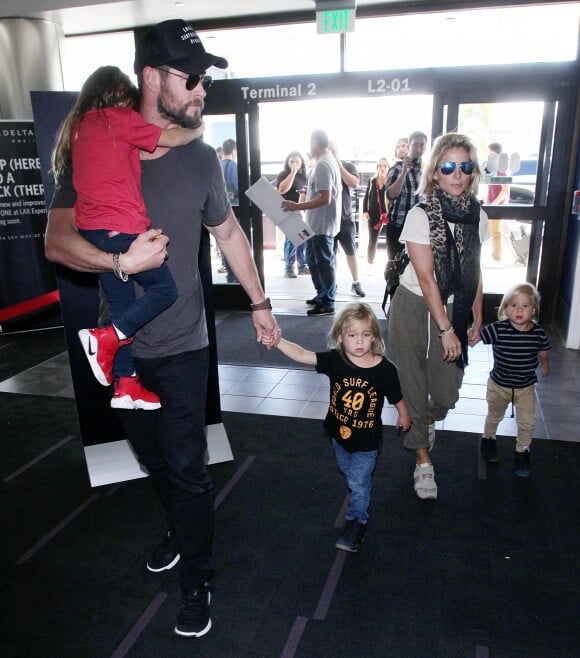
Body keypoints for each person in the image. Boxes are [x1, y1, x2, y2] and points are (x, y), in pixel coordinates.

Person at [45, 19, 280, 639]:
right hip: (119, 350)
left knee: (189, 467)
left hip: (184, 346)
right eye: (192, 77)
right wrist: (120, 262)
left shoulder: (202, 159)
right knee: (152, 458)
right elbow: (58, 242)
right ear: (152, 76)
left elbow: (228, 233)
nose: (202, 88)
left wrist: (258, 302)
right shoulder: (100, 144)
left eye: (204, 78)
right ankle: (179, 521)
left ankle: (197, 578)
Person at [52, 65, 203, 410]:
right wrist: (196, 130)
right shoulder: (115, 118)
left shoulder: (77, 127)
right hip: (121, 227)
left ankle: (125, 385)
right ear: (117, 93)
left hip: (93, 233)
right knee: (164, 290)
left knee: (121, 306)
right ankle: (105, 338)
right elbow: (171, 138)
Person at [387, 133, 488, 500]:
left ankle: (424, 422)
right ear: (436, 172)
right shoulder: (420, 214)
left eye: (465, 166)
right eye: (448, 166)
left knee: (446, 394)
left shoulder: (478, 214)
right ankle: (422, 461)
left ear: (472, 171)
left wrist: (476, 316)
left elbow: (474, 271)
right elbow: (427, 277)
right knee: (411, 385)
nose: (457, 174)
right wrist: (446, 329)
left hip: (455, 307)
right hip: (414, 305)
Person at [263, 302, 411, 552]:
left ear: (374, 336)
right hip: (338, 434)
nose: (360, 341)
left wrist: (404, 415)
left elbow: (396, 396)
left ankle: (356, 523)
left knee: (359, 481)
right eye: (352, 335)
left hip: (367, 441)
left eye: (366, 334)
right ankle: (356, 500)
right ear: (341, 338)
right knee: (348, 472)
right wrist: (278, 341)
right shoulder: (336, 361)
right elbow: (302, 354)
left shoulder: (385, 370)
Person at [479, 283, 551, 477]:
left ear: (533, 310)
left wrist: (545, 365)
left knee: (527, 422)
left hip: (525, 387)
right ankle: (488, 440)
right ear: (505, 309)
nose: (519, 310)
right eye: (514, 305)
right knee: (494, 415)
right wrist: (469, 335)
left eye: (525, 306)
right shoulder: (498, 329)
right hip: (498, 385)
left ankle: (523, 451)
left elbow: (543, 350)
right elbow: (478, 336)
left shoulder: (538, 333)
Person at [281, 129, 341, 316]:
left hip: (322, 224)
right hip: (317, 224)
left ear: (315, 142)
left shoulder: (323, 164)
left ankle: (327, 301)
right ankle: (322, 295)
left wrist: (296, 207)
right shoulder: (323, 162)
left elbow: (325, 198)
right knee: (315, 261)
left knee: (323, 263)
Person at [329, 141, 365, 297]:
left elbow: (354, 183)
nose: (330, 151)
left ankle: (356, 282)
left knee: (351, 251)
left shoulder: (348, 166)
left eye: (333, 149)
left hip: (345, 218)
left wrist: (337, 163)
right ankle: (332, 284)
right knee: (331, 253)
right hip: (328, 219)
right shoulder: (321, 167)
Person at [385, 130, 428, 261]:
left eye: (422, 145)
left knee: (416, 268)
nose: (419, 149)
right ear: (409, 146)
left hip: (417, 228)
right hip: (398, 226)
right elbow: (390, 195)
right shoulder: (396, 169)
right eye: (416, 145)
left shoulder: (425, 171)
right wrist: (404, 173)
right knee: (395, 267)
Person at [276, 151, 309, 278]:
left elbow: (305, 193)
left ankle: (302, 266)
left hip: (301, 211)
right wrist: (293, 172)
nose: (294, 164)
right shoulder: (283, 175)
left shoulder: (304, 177)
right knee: (291, 239)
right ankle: (289, 267)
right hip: (287, 211)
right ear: (287, 162)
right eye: (291, 161)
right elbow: (282, 189)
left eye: (297, 162)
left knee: (303, 238)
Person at [362, 157, 389, 273]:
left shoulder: (391, 180)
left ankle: (391, 265)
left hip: (388, 214)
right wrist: (365, 210)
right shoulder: (372, 181)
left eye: (384, 166)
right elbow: (367, 196)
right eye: (380, 166)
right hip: (374, 214)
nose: (382, 168)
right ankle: (370, 263)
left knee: (390, 240)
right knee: (373, 240)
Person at [485, 142, 510, 262]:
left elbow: (505, 190)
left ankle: (497, 257)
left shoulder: (501, 171)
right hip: (491, 204)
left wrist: (494, 203)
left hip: (497, 206)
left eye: (490, 154)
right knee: (493, 231)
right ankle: (495, 256)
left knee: (495, 232)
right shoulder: (493, 170)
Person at [220, 138, 239, 283]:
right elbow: (240, 187)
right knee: (237, 245)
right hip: (235, 209)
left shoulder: (217, 165)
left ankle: (230, 277)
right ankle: (236, 277)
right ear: (233, 151)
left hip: (220, 211)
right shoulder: (234, 166)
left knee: (225, 245)